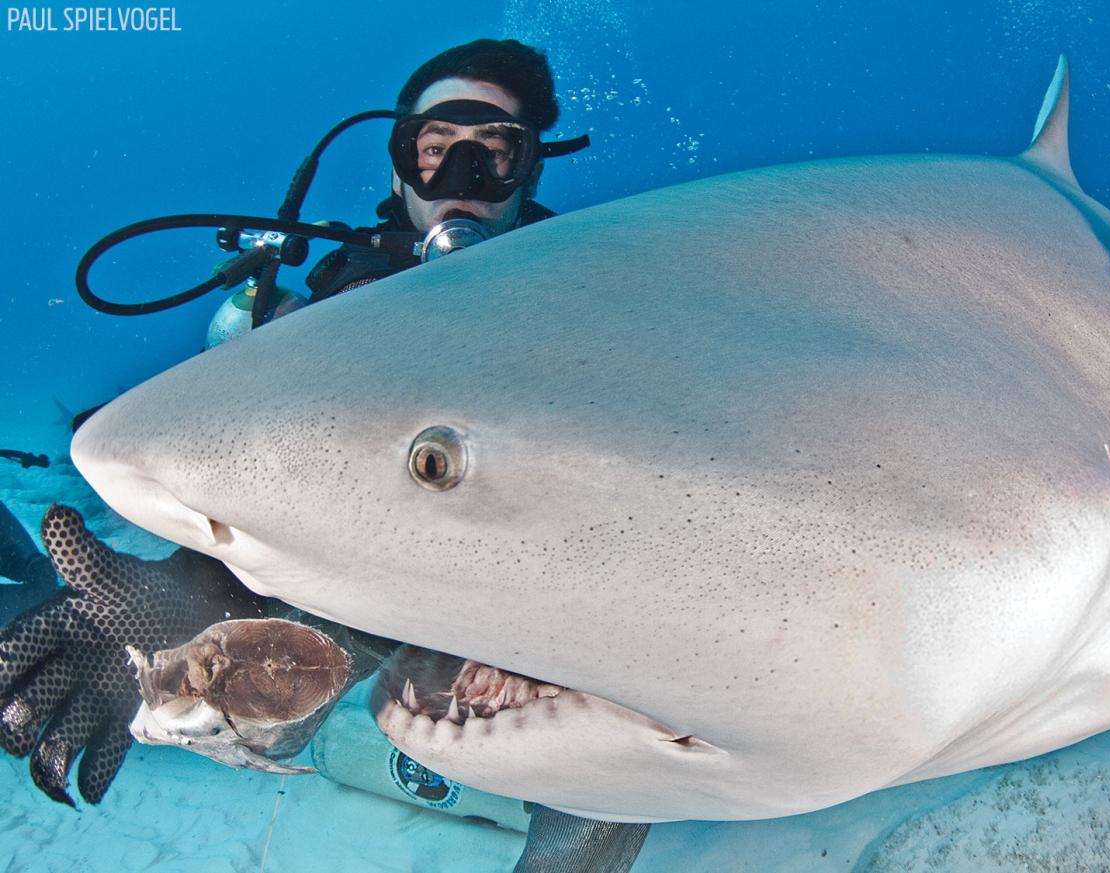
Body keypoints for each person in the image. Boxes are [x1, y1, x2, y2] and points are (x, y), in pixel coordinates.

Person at [0, 37, 648, 873]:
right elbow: (272, 477)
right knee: (236, 696)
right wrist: (181, 595)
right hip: (361, 582)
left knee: (616, 778)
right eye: (434, 149)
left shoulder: (599, 300)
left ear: (531, 172)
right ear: (397, 167)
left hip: (556, 598)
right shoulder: (342, 304)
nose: (462, 178)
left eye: (494, 152)